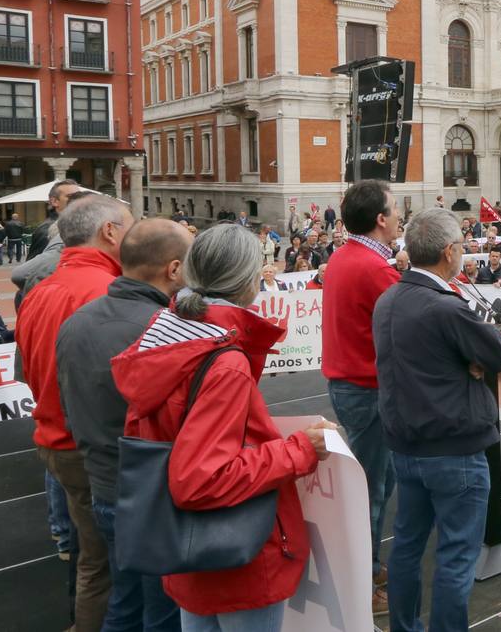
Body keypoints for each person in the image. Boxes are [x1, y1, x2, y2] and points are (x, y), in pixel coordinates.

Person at [111, 223, 334, 631]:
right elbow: (200, 479)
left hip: (187, 550)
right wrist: (300, 448)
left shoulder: (164, 334)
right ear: (248, 279)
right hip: (238, 553)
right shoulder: (224, 360)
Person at [375, 209, 501, 632]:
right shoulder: (445, 308)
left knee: (407, 545)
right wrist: (471, 360)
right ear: (449, 251)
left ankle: (404, 625)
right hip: (454, 449)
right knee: (456, 558)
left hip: (406, 446)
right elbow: (498, 353)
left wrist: (466, 359)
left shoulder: (388, 299)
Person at [56, 218, 191, 632]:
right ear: (173, 270)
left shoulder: (75, 323)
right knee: (163, 612)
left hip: (105, 486)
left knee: (125, 601)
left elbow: (67, 402)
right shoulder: (167, 331)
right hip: (154, 496)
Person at [16, 193, 132, 632]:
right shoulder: (105, 294)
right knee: (104, 563)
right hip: (90, 447)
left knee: (90, 555)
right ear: (109, 232)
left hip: (56, 440)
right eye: (130, 225)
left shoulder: (40, 291)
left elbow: (27, 368)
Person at [320, 179, 403, 613]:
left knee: (377, 483)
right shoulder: (374, 268)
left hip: (350, 384)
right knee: (371, 490)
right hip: (366, 388)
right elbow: (409, 319)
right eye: (394, 209)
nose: (398, 216)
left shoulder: (346, 256)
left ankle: (366, 566)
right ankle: (364, 583)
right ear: (380, 219)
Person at [12, 179, 84, 308]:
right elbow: (33, 270)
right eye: (70, 197)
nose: (77, 200)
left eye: (79, 196)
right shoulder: (49, 230)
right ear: (54, 201)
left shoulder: (75, 224)